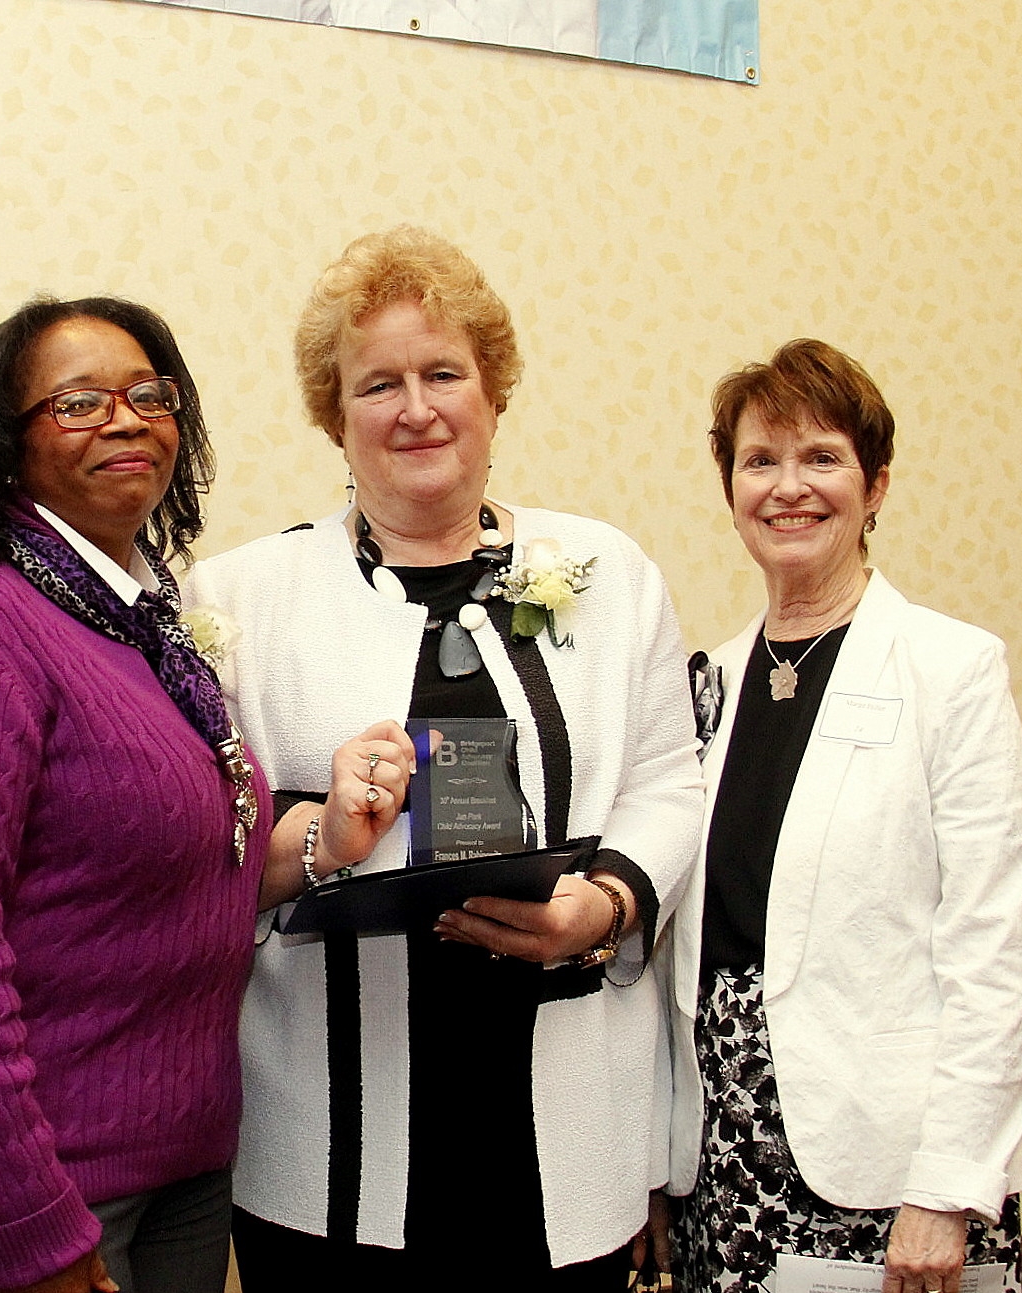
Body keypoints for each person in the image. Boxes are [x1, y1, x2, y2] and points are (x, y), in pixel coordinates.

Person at [184, 225, 703, 1288]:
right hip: (327, 1118)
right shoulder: (239, 599)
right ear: (334, 417)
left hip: (564, 1112)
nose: (414, 408)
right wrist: (317, 835)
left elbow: (667, 777)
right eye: (377, 384)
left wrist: (599, 907)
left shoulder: (604, 572)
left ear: (492, 390)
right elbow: (199, 836)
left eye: (441, 373)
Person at [0, 296, 290, 1293]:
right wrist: (26, 1218)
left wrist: (319, 844)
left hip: (173, 1174)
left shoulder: (142, 627)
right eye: (75, 404)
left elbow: (162, 884)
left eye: (146, 395)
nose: (123, 420)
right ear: (2, 449)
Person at [663, 339, 1022, 1293]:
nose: (789, 486)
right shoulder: (706, 683)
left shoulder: (950, 670)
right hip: (724, 1158)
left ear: (875, 484)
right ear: (731, 488)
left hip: (895, 1173)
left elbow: (998, 945)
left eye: (821, 457)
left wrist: (947, 1186)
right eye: (760, 460)